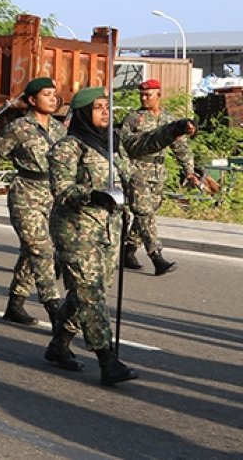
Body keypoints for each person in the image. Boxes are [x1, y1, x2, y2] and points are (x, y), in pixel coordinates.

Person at [45, 87, 196, 384]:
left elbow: (145, 142)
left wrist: (175, 129)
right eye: (98, 107)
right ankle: (107, 360)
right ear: (84, 112)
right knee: (92, 293)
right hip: (76, 228)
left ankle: (58, 344)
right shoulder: (68, 147)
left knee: (89, 290)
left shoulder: (114, 143)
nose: (105, 111)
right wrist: (92, 196)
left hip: (108, 228)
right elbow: (61, 189)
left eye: (107, 106)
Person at [0, 77, 66, 326]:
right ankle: (54, 307)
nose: (52, 99)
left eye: (54, 94)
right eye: (46, 94)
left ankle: (15, 303)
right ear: (32, 100)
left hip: (52, 193)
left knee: (33, 250)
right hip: (26, 194)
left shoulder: (59, 130)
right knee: (41, 249)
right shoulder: (18, 127)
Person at [120, 79, 196, 275]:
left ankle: (128, 250)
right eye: (142, 95)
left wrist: (189, 170)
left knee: (146, 213)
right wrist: (124, 169)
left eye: (148, 95)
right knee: (145, 212)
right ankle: (157, 257)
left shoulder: (169, 120)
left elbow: (181, 148)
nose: (144, 98)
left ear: (158, 96)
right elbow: (123, 146)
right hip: (136, 171)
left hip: (157, 173)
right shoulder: (133, 118)